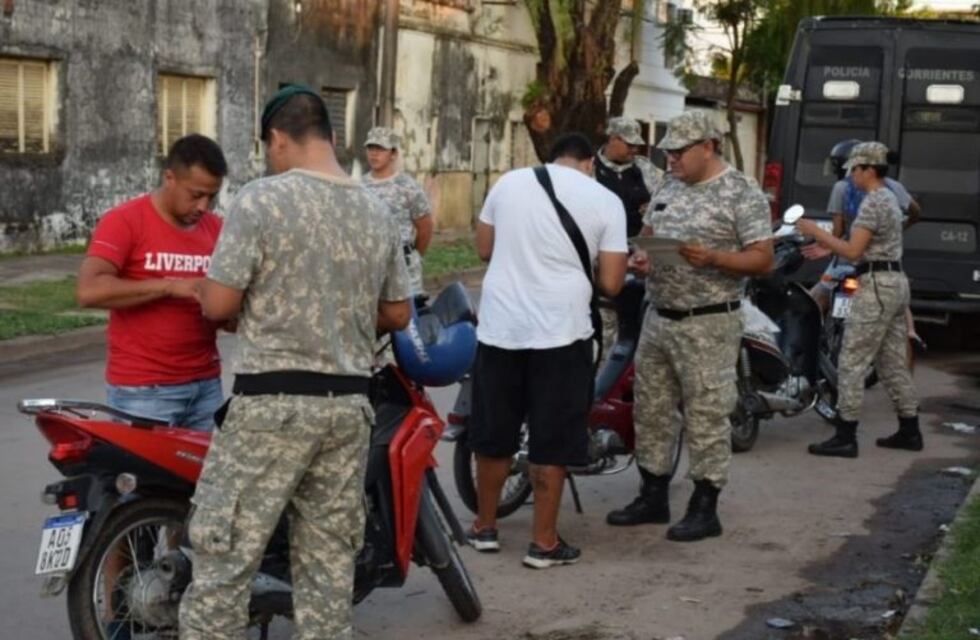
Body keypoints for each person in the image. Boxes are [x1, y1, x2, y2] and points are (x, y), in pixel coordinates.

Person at [178, 85, 411, 640]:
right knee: (327, 572)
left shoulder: (261, 200)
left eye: (269, 149)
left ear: (278, 138)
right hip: (347, 412)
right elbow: (398, 312)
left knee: (223, 567)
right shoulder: (376, 211)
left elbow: (220, 303)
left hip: (270, 409)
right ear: (329, 137)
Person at [606, 111, 773, 542]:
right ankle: (653, 495)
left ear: (708, 146)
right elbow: (648, 231)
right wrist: (641, 258)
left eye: (679, 151)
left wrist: (716, 258)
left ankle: (705, 505)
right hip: (659, 316)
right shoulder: (667, 183)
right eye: (668, 152)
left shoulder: (741, 190)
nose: (672, 158)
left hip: (709, 321)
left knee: (706, 414)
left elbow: (762, 259)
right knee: (652, 410)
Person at [468, 133, 628, 568]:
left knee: (494, 432)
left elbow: (484, 249)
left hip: (500, 327)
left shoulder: (507, 182)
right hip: (561, 333)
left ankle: (485, 527)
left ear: (552, 156)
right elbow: (612, 283)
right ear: (590, 162)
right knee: (551, 439)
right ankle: (543, 543)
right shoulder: (605, 200)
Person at [76, 134, 228, 430]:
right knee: (145, 478)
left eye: (212, 196)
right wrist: (170, 286)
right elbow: (88, 290)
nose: (203, 206)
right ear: (169, 177)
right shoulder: (125, 221)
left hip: (206, 385)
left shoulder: (216, 229)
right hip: (144, 390)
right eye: (195, 194)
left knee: (204, 476)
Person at [796, 141, 922, 458]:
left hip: (876, 286)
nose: (850, 174)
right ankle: (910, 430)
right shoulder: (889, 199)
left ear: (868, 169)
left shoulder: (872, 202)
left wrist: (815, 231)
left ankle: (845, 435)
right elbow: (863, 244)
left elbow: (852, 251)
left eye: (854, 168)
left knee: (850, 362)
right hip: (895, 282)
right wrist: (832, 246)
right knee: (892, 363)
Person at [804, 139, 925, 361]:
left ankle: (806, 348)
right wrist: (901, 227)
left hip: (849, 260)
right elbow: (916, 211)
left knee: (815, 299)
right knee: (899, 310)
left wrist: (820, 238)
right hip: (887, 270)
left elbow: (840, 234)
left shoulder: (845, 189)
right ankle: (911, 332)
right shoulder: (893, 188)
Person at [363, 126, 434, 298]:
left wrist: (414, 256)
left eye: (380, 149)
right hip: (370, 266)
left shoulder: (408, 187)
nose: (374, 154)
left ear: (393, 153)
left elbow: (425, 227)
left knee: (407, 319)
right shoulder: (359, 186)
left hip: (403, 267)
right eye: (371, 148)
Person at [594, 116, 663, 238]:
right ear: (612, 139)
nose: (635, 150)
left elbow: (665, 199)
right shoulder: (590, 166)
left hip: (637, 245)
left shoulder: (644, 167)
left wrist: (652, 207)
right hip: (599, 242)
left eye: (637, 145)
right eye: (630, 145)